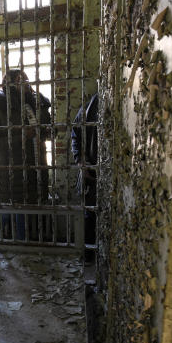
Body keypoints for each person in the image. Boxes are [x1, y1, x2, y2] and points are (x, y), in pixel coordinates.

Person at [0, 70, 52, 240]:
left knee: (25, 214)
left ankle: (22, 249)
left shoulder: (36, 105)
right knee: (4, 212)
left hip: (33, 172)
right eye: (20, 80)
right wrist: (20, 137)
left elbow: (50, 132)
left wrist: (44, 130)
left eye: (26, 78)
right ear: (9, 84)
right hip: (9, 173)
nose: (26, 82)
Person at [71, 93, 98, 261]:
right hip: (91, 170)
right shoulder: (89, 108)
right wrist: (81, 162)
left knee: (94, 214)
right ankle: (89, 255)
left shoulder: (91, 107)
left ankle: (94, 255)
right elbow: (75, 135)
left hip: (97, 168)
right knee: (89, 214)